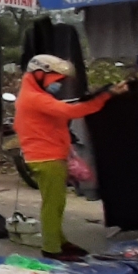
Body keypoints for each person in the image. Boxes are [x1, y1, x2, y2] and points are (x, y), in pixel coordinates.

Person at [13, 54, 127, 260]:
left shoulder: (34, 94)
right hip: (46, 158)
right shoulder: (35, 98)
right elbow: (71, 111)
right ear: (40, 74)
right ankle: (51, 249)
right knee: (53, 204)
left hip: (47, 156)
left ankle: (60, 241)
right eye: (55, 79)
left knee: (56, 203)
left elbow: (68, 105)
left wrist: (102, 94)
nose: (58, 84)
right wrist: (105, 96)